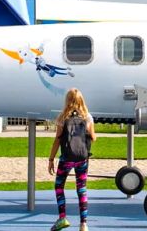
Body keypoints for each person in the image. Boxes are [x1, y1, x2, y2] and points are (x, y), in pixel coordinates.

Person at [48, 88, 96, 231]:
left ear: (67, 101)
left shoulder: (63, 118)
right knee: (81, 188)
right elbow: (93, 138)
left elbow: (57, 141)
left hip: (66, 158)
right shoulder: (88, 117)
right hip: (82, 158)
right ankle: (83, 224)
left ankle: (62, 218)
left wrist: (51, 159)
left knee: (59, 186)